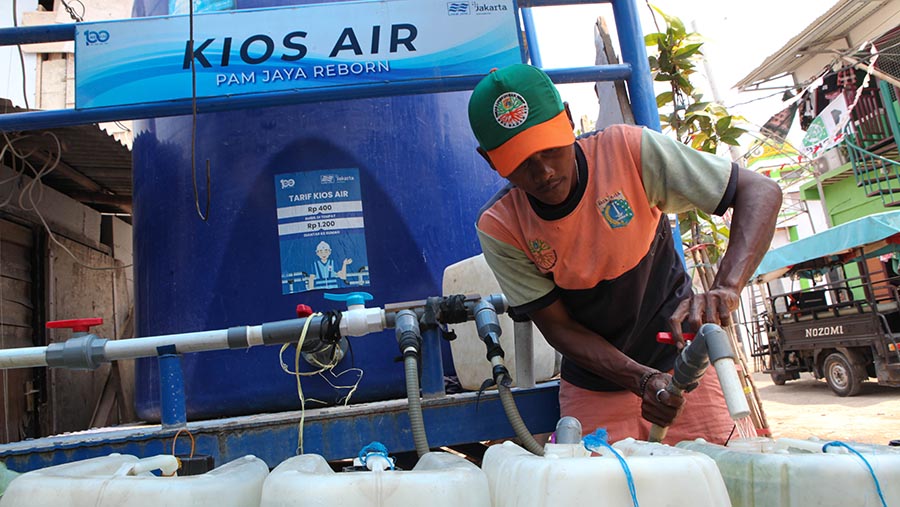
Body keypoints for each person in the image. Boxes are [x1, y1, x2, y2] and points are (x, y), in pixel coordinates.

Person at [468, 64, 782, 444]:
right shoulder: (501, 226)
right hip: (595, 386)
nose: (544, 171)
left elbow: (761, 192)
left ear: (567, 119)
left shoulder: (628, 151)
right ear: (489, 160)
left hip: (686, 369)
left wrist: (727, 287)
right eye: (520, 162)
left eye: (549, 148)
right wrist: (641, 379)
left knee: (722, 478)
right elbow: (560, 328)